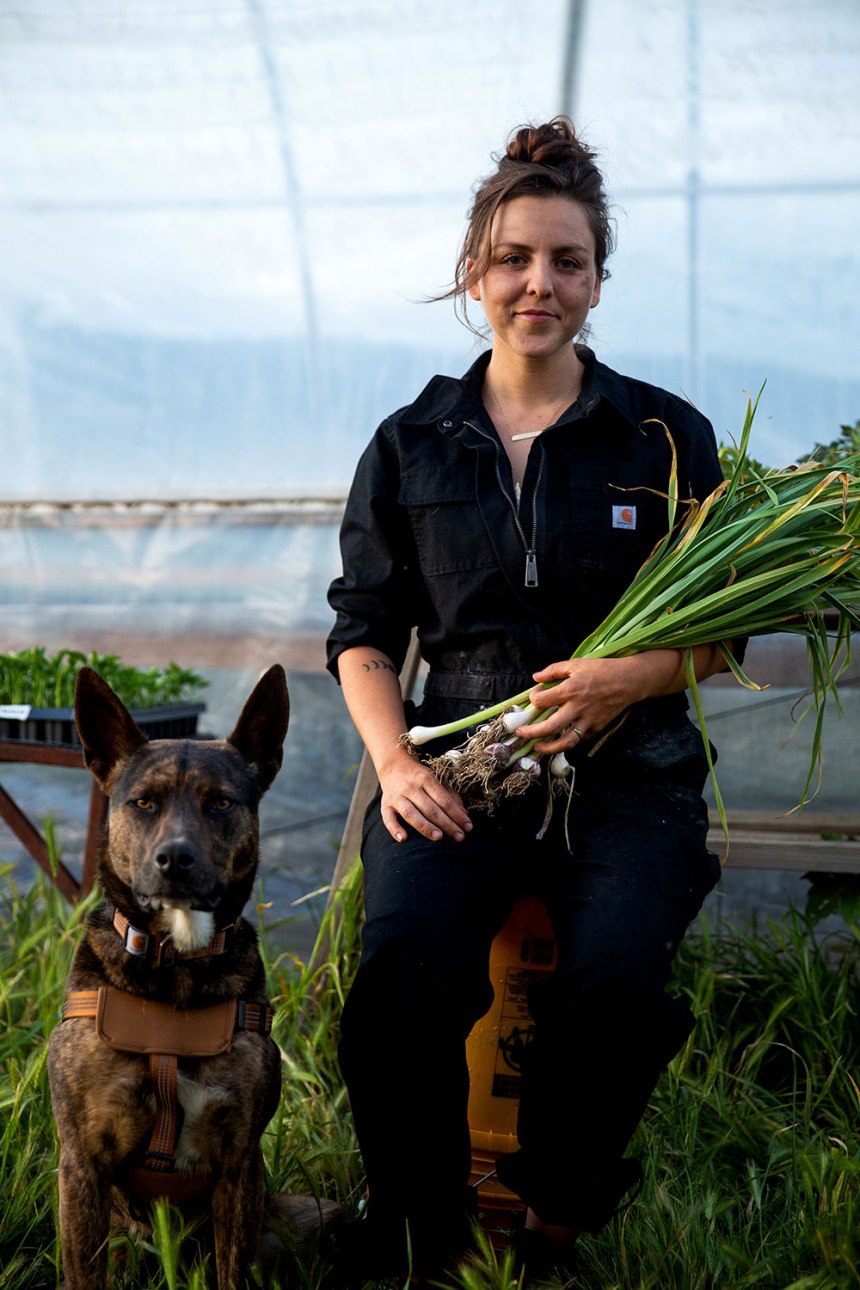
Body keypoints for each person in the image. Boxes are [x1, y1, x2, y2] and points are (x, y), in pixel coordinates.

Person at [326, 117, 734, 1283]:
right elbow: (361, 636)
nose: (537, 284)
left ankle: (549, 1222)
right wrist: (399, 766)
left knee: (611, 979)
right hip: (459, 760)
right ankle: (417, 1226)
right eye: (513, 259)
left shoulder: (660, 434)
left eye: (565, 261)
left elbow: (715, 638)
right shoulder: (411, 444)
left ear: (598, 278)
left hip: (628, 774)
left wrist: (631, 676)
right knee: (405, 968)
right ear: (474, 271)